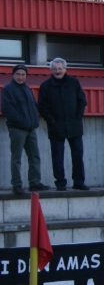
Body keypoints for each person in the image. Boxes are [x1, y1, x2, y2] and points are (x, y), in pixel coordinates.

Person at [38, 58, 90, 191]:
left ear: (65, 69)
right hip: (56, 127)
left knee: (78, 155)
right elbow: (42, 107)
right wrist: (52, 121)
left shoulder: (74, 82)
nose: (57, 71)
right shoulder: (45, 86)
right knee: (57, 157)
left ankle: (79, 182)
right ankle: (60, 183)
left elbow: (82, 101)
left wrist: (77, 118)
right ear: (51, 70)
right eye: (54, 69)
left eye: (60, 69)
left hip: (74, 125)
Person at [1, 64, 50, 194]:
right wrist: (22, 121)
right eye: (18, 74)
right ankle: (16, 185)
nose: (21, 77)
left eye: (23, 75)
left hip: (31, 129)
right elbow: (7, 109)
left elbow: (34, 107)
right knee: (16, 157)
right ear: (13, 75)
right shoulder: (8, 89)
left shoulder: (28, 89)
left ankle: (34, 183)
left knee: (35, 156)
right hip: (17, 129)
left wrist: (34, 122)